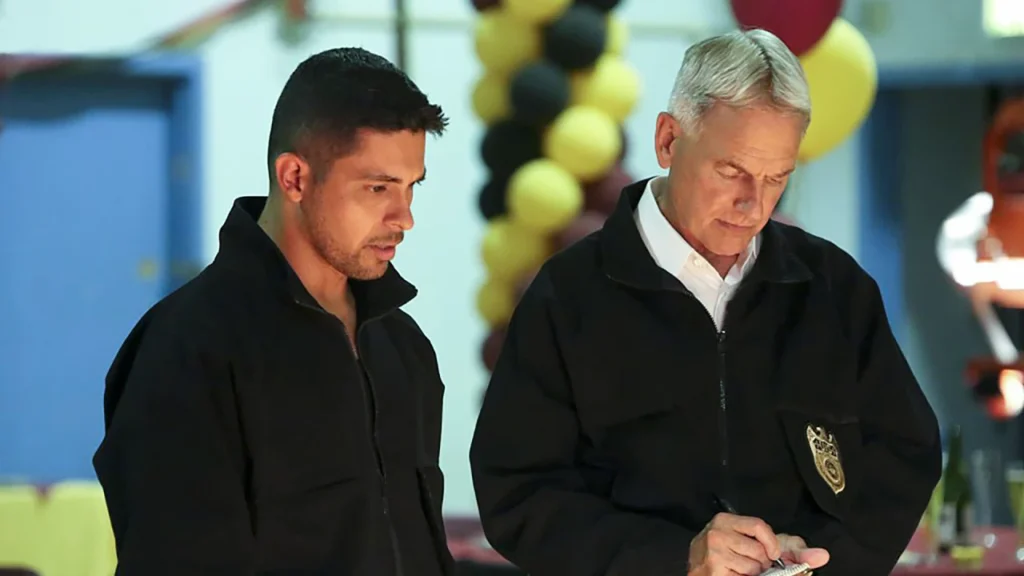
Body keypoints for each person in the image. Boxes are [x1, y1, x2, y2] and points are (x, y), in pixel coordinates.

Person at [470, 29, 941, 576]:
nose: (753, 205)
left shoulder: (833, 288)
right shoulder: (567, 295)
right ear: (668, 140)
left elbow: (905, 454)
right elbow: (518, 495)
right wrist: (677, 558)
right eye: (731, 171)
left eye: (776, 178)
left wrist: (822, 559)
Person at [94, 47, 453, 575]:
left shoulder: (403, 346)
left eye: (411, 186)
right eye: (378, 187)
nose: (404, 217)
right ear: (295, 178)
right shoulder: (187, 348)